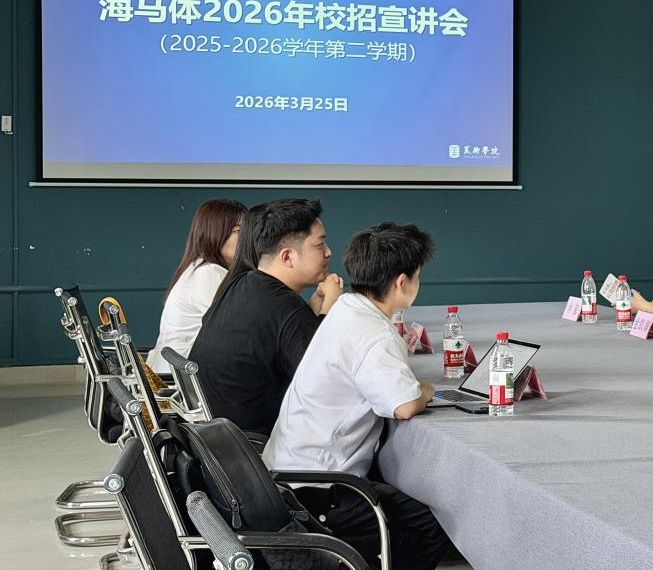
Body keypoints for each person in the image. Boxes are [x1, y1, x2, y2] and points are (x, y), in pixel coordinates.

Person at [268, 223, 449, 569]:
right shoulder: (374, 334)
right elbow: (404, 405)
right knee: (435, 523)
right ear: (402, 282)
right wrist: (426, 392)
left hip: (286, 471)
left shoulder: (347, 308)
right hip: (319, 489)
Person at [190, 198, 343, 437]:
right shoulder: (285, 307)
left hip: (214, 438)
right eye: (319, 244)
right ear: (287, 257)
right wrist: (330, 309)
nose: (328, 252)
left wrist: (314, 310)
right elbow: (327, 384)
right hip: (258, 446)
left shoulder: (241, 283)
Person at [146, 198, 246, 374]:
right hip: (182, 379)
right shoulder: (209, 273)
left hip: (177, 373)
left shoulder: (198, 268)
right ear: (215, 233)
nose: (247, 239)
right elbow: (242, 328)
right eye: (239, 231)